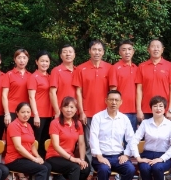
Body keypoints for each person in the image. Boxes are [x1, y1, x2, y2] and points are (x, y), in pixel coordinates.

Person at [89, 90, 136, 180]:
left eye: (116, 100)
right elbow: (93, 138)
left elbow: (131, 139)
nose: (113, 102)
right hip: (101, 156)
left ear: (121, 102)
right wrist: (99, 156)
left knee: (130, 169)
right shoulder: (97, 117)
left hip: (118, 156)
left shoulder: (124, 119)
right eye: (111, 100)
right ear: (106, 101)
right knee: (104, 170)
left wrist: (126, 154)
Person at [73, 40, 117, 168]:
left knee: (105, 141)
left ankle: (105, 167)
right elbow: (78, 92)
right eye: (94, 49)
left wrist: (112, 110)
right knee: (88, 142)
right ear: (89, 51)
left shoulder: (110, 68)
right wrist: (81, 111)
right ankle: (90, 170)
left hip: (105, 113)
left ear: (103, 52)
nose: (96, 52)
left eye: (99, 50)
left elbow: (113, 91)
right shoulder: (81, 68)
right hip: (88, 112)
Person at [131, 95, 171, 180]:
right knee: (144, 168)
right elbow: (134, 141)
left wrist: (162, 158)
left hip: (163, 156)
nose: (158, 108)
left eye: (161, 106)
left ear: (165, 108)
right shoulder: (145, 123)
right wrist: (138, 158)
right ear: (151, 108)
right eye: (155, 106)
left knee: (158, 168)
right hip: (147, 154)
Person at [46, 96, 90, 180]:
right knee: (75, 167)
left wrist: (82, 159)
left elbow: (81, 144)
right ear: (61, 108)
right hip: (54, 157)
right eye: (66, 107)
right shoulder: (55, 123)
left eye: (72, 107)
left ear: (76, 110)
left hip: (68, 158)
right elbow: (56, 146)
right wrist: (72, 159)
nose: (69, 110)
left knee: (85, 168)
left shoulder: (78, 124)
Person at [4, 102, 51, 180]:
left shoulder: (28, 126)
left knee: (47, 166)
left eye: (28, 112)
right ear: (17, 113)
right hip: (14, 159)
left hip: (25, 158)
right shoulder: (13, 125)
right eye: (23, 112)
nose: (26, 115)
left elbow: (32, 145)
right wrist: (34, 159)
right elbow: (18, 147)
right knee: (42, 169)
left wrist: (39, 157)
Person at [135, 39, 171, 123]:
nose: (156, 49)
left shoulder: (169, 66)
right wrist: (139, 109)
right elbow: (139, 89)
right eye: (153, 46)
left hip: (164, 109)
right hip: (146, 109)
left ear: (162, 49)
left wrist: (170, 109)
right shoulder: (142, 66)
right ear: (148, 50)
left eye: (158, 47)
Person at [27, 51, 54, 152]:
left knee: (46, 141)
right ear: (36, 62)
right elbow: (31, 97)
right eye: (42, 61)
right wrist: (36, 115)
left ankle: (44, 160)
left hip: (49, 114)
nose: (44, 63)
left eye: (47, 61)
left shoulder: (50, 77)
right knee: (36, 141)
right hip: (38, 115)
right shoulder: (33, 77)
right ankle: (34, 159)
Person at [113, 40, 139, 130]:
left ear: (133, 51)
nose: (127, 52)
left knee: (133, 137)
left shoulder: (137, 68)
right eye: (124, 50)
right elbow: (113, 91)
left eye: (129, 49)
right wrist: (115, 110)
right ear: (120, 52)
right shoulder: (115, 68)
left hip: (135, 111)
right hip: (121, 111)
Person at [2, 49, 31, 126]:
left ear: (28, 59)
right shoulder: (9, 74)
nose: (22, 60)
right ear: (15, 59)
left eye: (24, 58)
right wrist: (7, 113)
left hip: (26, 111)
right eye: (19, 58)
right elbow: (4, 95)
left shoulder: (31, 76)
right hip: (12, 110)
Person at [50, 44, 76, 117]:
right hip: (62, 112)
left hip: (75, 111)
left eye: (70, 52)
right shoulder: (56, 71)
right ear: (61, 56)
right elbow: (52, 92)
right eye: (65, 52)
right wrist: (57, 111)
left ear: (74, 55)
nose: (68, 54)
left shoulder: (78, 70)